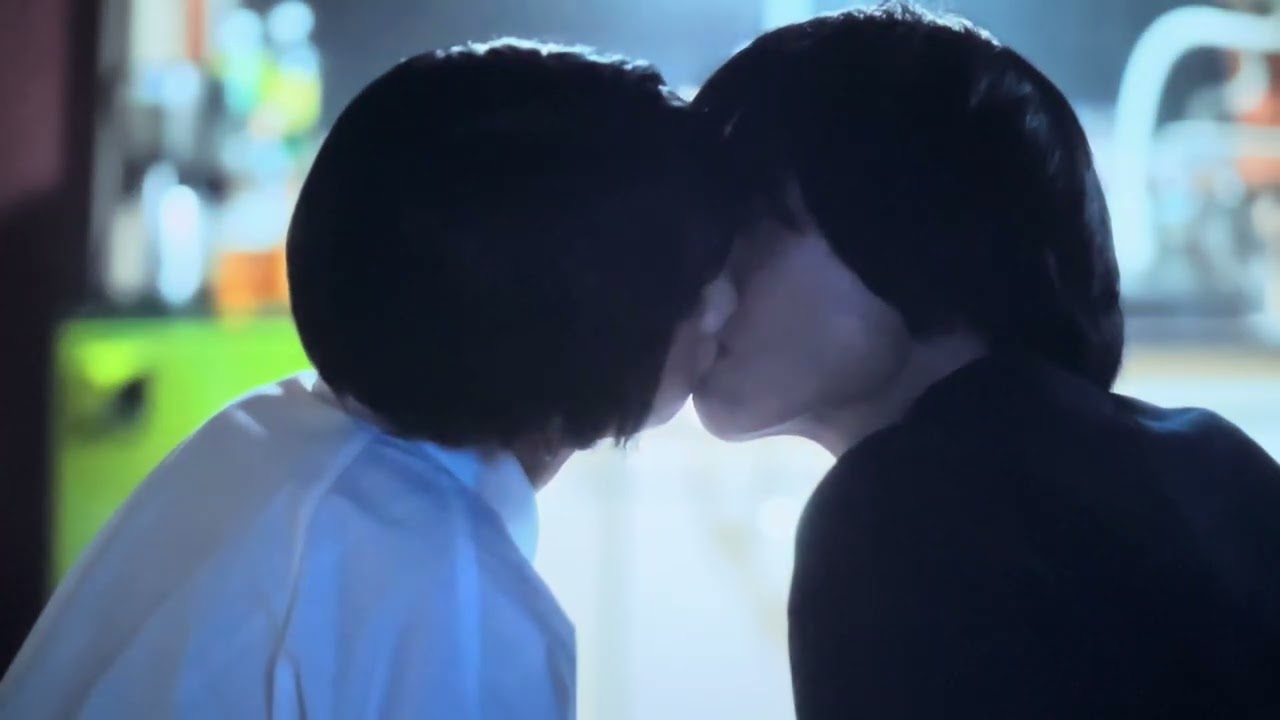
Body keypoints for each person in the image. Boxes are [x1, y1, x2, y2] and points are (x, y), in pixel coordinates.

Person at [0, 39, 737, 719]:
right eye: (696, 274)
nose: (725, 305)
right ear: (587, 308)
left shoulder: (266, 436)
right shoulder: (445, 596)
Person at [690, 4, 1280, 717]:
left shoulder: (898, 509)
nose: (703, 281)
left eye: (752, 226)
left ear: (909, 223)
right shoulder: (1212, 460)